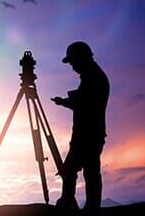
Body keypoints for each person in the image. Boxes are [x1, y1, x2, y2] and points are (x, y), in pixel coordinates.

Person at [51, 41, 110, 214]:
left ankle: (76, 204)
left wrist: (68, 101)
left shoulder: (94, 77)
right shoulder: (92, 76)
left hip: (88, 136)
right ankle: (77, 203)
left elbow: (86, 104)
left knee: (76, 171)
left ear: (81, 58)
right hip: (87, 134)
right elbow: (83, 103)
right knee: (85, 171)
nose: (72, 67)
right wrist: (65, 102)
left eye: (73, 62)